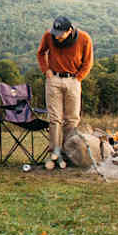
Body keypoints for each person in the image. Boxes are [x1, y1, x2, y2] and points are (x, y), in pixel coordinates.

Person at [36, 16, 93, 169]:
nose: (56, 36)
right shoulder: (49, 36)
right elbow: (41, 53)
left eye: (60, 33)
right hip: (53, 79)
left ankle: (69, 154)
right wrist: (46, 70)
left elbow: (88, 61)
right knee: (55, 119)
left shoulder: (84, 38)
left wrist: (79, 78)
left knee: (72, 119)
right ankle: (55, 154)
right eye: (55, 32)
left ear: (69, 30)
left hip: (73, 80)